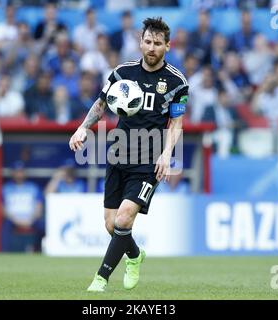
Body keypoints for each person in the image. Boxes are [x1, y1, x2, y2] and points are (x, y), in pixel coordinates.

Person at [69, 17, 189, 292]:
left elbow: (177, 124)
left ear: (167, 46)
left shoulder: (177, 83)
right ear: (140, 42)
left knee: (124, 219)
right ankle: (135, 256)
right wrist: (82, 128)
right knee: (112, 226)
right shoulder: (122, 73)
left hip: (149, 161)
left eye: (158, 43)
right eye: (147, 41)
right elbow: (100, 105)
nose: (151, 47)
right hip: (119, 154)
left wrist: (166, 155)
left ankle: (100, 279)